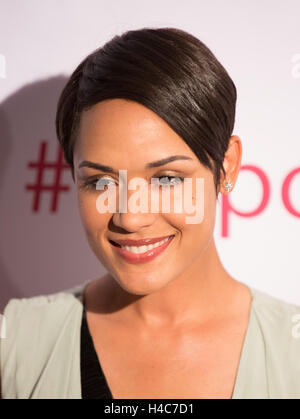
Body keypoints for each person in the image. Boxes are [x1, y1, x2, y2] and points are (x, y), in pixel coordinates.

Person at [1, 27, 300, 399]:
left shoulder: (292, 351)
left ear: (226, 168)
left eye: (167, 179)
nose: (129, 217)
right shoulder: (17, 343)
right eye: (101, 182)